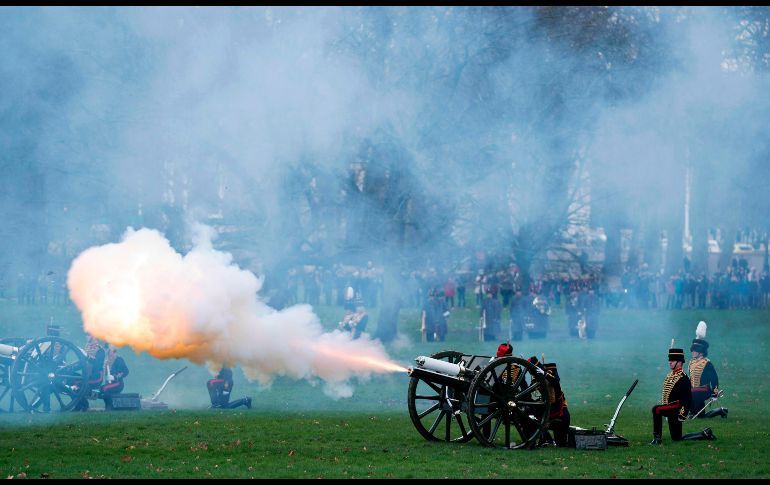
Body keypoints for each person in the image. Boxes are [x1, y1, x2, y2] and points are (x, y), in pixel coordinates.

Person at [650, 348, 715, 445]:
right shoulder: (669, 376)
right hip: (670, 408)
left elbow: (687, 398)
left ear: (680, 362)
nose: (670, 363)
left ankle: (657, 438)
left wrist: (682, 414)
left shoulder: (683, 378)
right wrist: (665, 406)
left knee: (656, 409)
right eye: (670, 361)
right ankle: (704, 434)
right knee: (677, 438)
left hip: (676, 408)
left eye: (673, 361)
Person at [688, 321, 728, 419]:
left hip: (704, 390)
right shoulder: (691, 362)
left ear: (701, 352)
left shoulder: (707, 363)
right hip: (694, 390)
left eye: (695, 350)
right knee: (700, 416)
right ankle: (720, 410)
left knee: (691, 393)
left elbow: (714, 379)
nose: (693, 352)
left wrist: (715, 393)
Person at [73, 335, 105, 411]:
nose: (87, 336)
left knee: (77, 383)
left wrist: (87, 357)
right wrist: (70, 368)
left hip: (96, 377)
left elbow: (98, 365)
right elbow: (81, 364)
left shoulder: (100, 350)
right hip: (87, 376)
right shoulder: (86, 349)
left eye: (89, 334)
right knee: (73, 381)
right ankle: (80, 406)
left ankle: (84, 405)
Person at [100, 345, 129, 410]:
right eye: (109, 353)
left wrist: (114, 377)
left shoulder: (119, 360)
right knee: (101, 389)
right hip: (109, 384)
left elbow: (126, 371)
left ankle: (109, 407)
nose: (111, 355)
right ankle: (110, 405)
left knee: (105, 388)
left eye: (112, 352)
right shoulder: (106, 362)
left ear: (115, 353)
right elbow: (104, 375)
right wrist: (104, 367)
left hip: (118, 383)